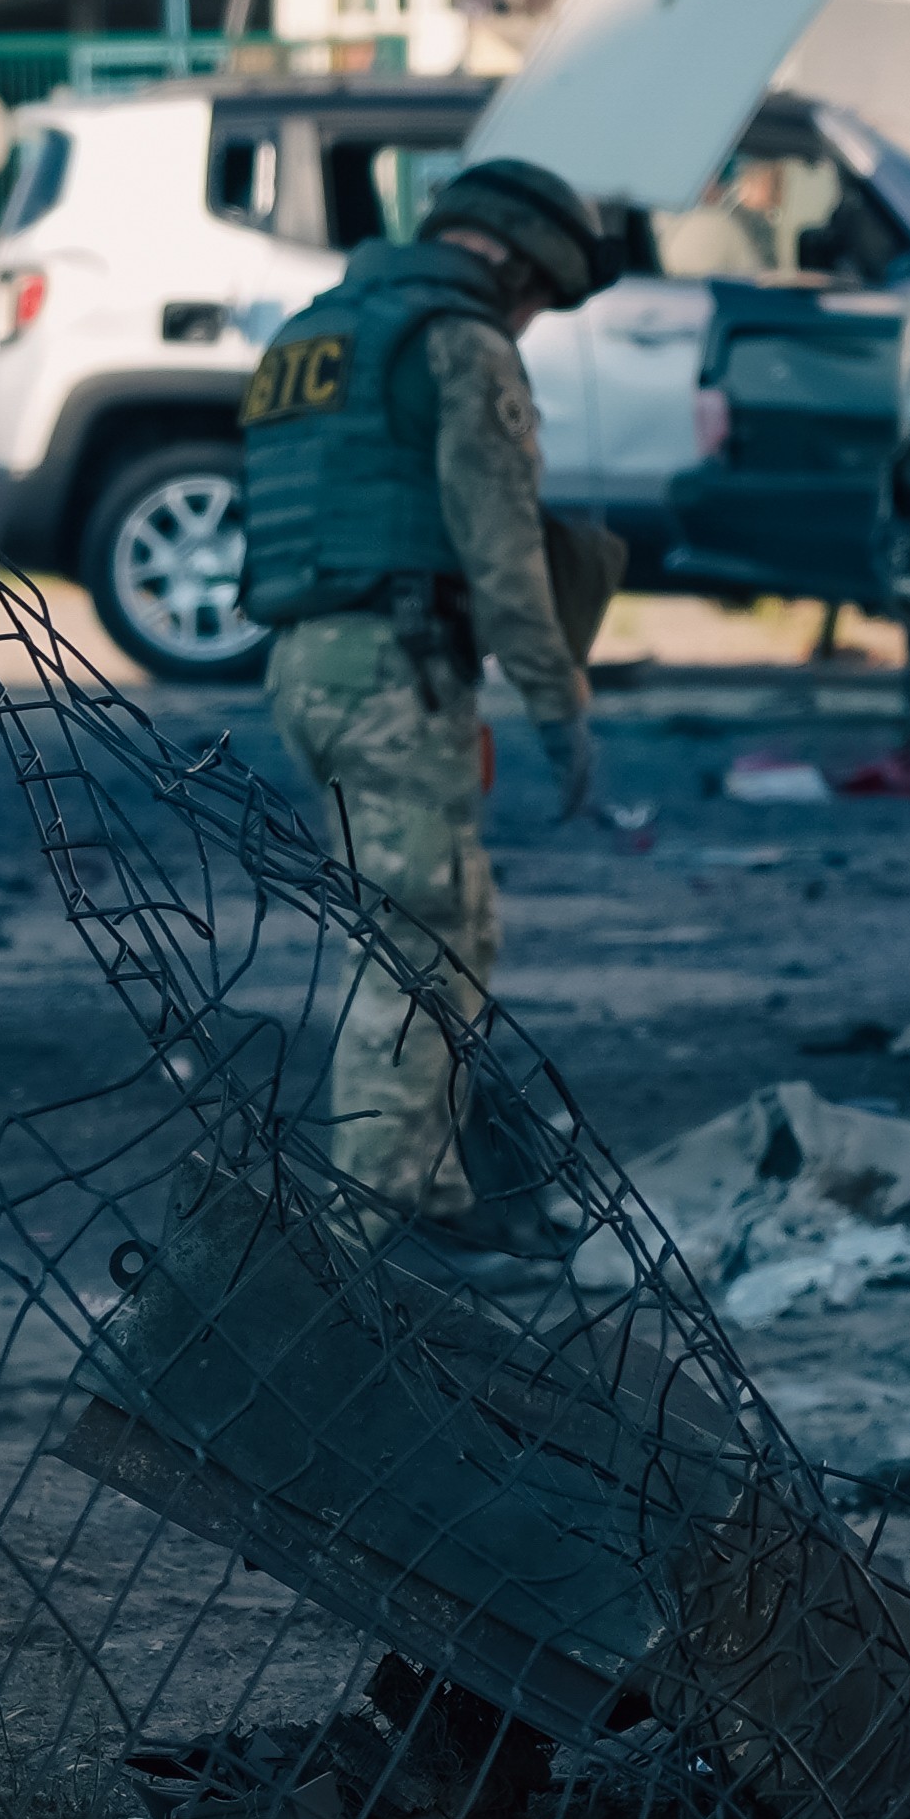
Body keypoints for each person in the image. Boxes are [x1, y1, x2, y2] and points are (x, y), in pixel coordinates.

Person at [236, 156, 631, 1255]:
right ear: (508, 259)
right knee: (413, 946)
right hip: (393, 670)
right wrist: (561, 708)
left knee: (453, 930)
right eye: (540, 298)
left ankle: (437, 1197)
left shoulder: (316, 331)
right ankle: (376, 1225)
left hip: (313, 661)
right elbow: (501, 551)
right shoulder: (458, 342)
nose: (534, 320)